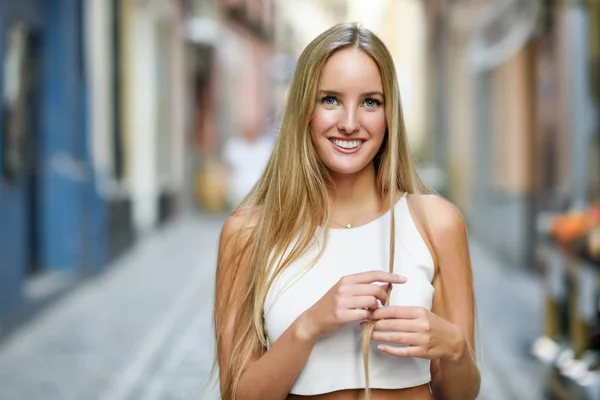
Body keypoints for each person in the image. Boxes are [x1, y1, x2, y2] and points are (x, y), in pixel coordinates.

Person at [213, 22, 480, 400]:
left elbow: (462, 394)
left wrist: (454, 346)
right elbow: (239, 395)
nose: (351, 123)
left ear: (389, 115)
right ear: (304, 108)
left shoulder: (437, 223)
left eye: (371, 101)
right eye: (330, 100)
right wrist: (309, 325)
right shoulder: (249, 233)